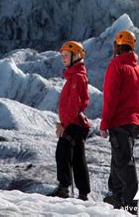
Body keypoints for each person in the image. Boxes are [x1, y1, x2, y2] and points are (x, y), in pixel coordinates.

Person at [100, 30, 139, 215]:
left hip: (119, 122)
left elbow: (110, 98)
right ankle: (117, 196)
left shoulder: (117, 66)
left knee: (124, 164)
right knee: (118, 160)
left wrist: (104, 124)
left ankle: (129, 207)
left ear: (117, 46)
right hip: (133, 124)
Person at [48, 41, 91, 200]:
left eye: (66, 55)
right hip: (76, 124)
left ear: (76, 56)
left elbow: (74, 104)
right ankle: (83, 194)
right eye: (62, 56)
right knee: (77, 159)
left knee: (63, 153)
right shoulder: (75, 76)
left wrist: (64, 126)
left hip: (73, 124)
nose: (63, 59)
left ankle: (64, 189)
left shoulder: (76, 78)